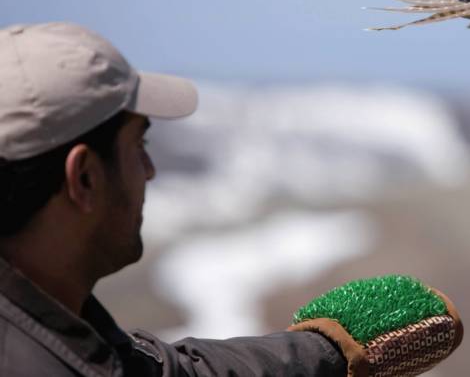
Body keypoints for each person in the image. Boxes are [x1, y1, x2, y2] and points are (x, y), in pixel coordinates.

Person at [0, 22, 350, 376]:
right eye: (139, 145)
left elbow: (170, 371)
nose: (149, 170)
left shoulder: (58, 333)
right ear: (85, 178)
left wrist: (328, 351)